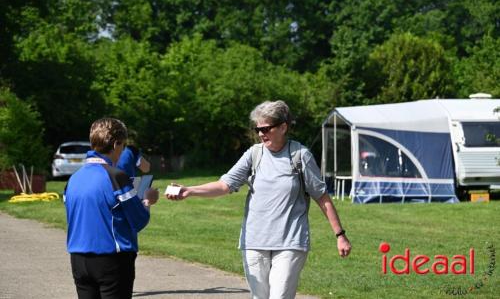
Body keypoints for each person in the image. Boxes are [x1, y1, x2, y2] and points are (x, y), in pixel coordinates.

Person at [166, 100, 351, 299]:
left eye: (266, 128)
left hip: (290, 242)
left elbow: (322, 197)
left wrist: (340, 235)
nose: (261, 133)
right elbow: (224, 185)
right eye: (258, 129)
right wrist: (189, 190)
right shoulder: (254, 154)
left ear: (283, 127)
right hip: (254, 241)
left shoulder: (300, 155)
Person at [64, 118, 159, 299]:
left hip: (78, 259)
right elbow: (138, 220)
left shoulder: (73, 179)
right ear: (116, 144)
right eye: (122, 146)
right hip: (112, 260)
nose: (122, 152)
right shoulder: (117, 177)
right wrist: (147, 201)